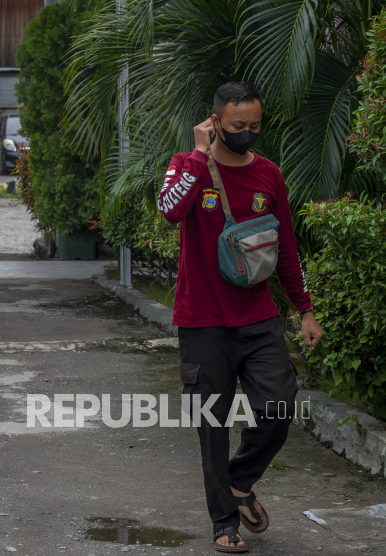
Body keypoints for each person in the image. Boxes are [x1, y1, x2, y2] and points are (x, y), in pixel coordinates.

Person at [158, 82, 323, 553]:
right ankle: (223, 525)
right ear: (215, 123)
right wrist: (195, 154)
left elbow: (287, 248)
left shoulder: (268, 174)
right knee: (211, 425)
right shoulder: (186, 166)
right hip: (203, 320)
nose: (247, 133)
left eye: (254, 126)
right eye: (237, 127)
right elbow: (171, 212)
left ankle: (239, 481)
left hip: (258, 317)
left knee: (280, 404)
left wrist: (305, 310)